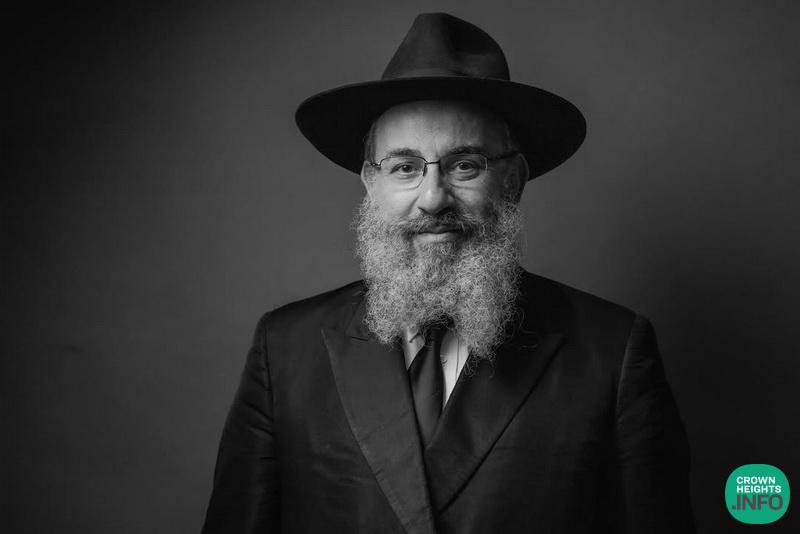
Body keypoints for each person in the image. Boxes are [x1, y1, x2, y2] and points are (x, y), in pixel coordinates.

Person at [201, 12, 694, 534]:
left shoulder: (612, 352)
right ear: (371, 183)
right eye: (405, 167)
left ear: (513, 179)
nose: (433, 199)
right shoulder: (284, 350)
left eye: (464, 165)